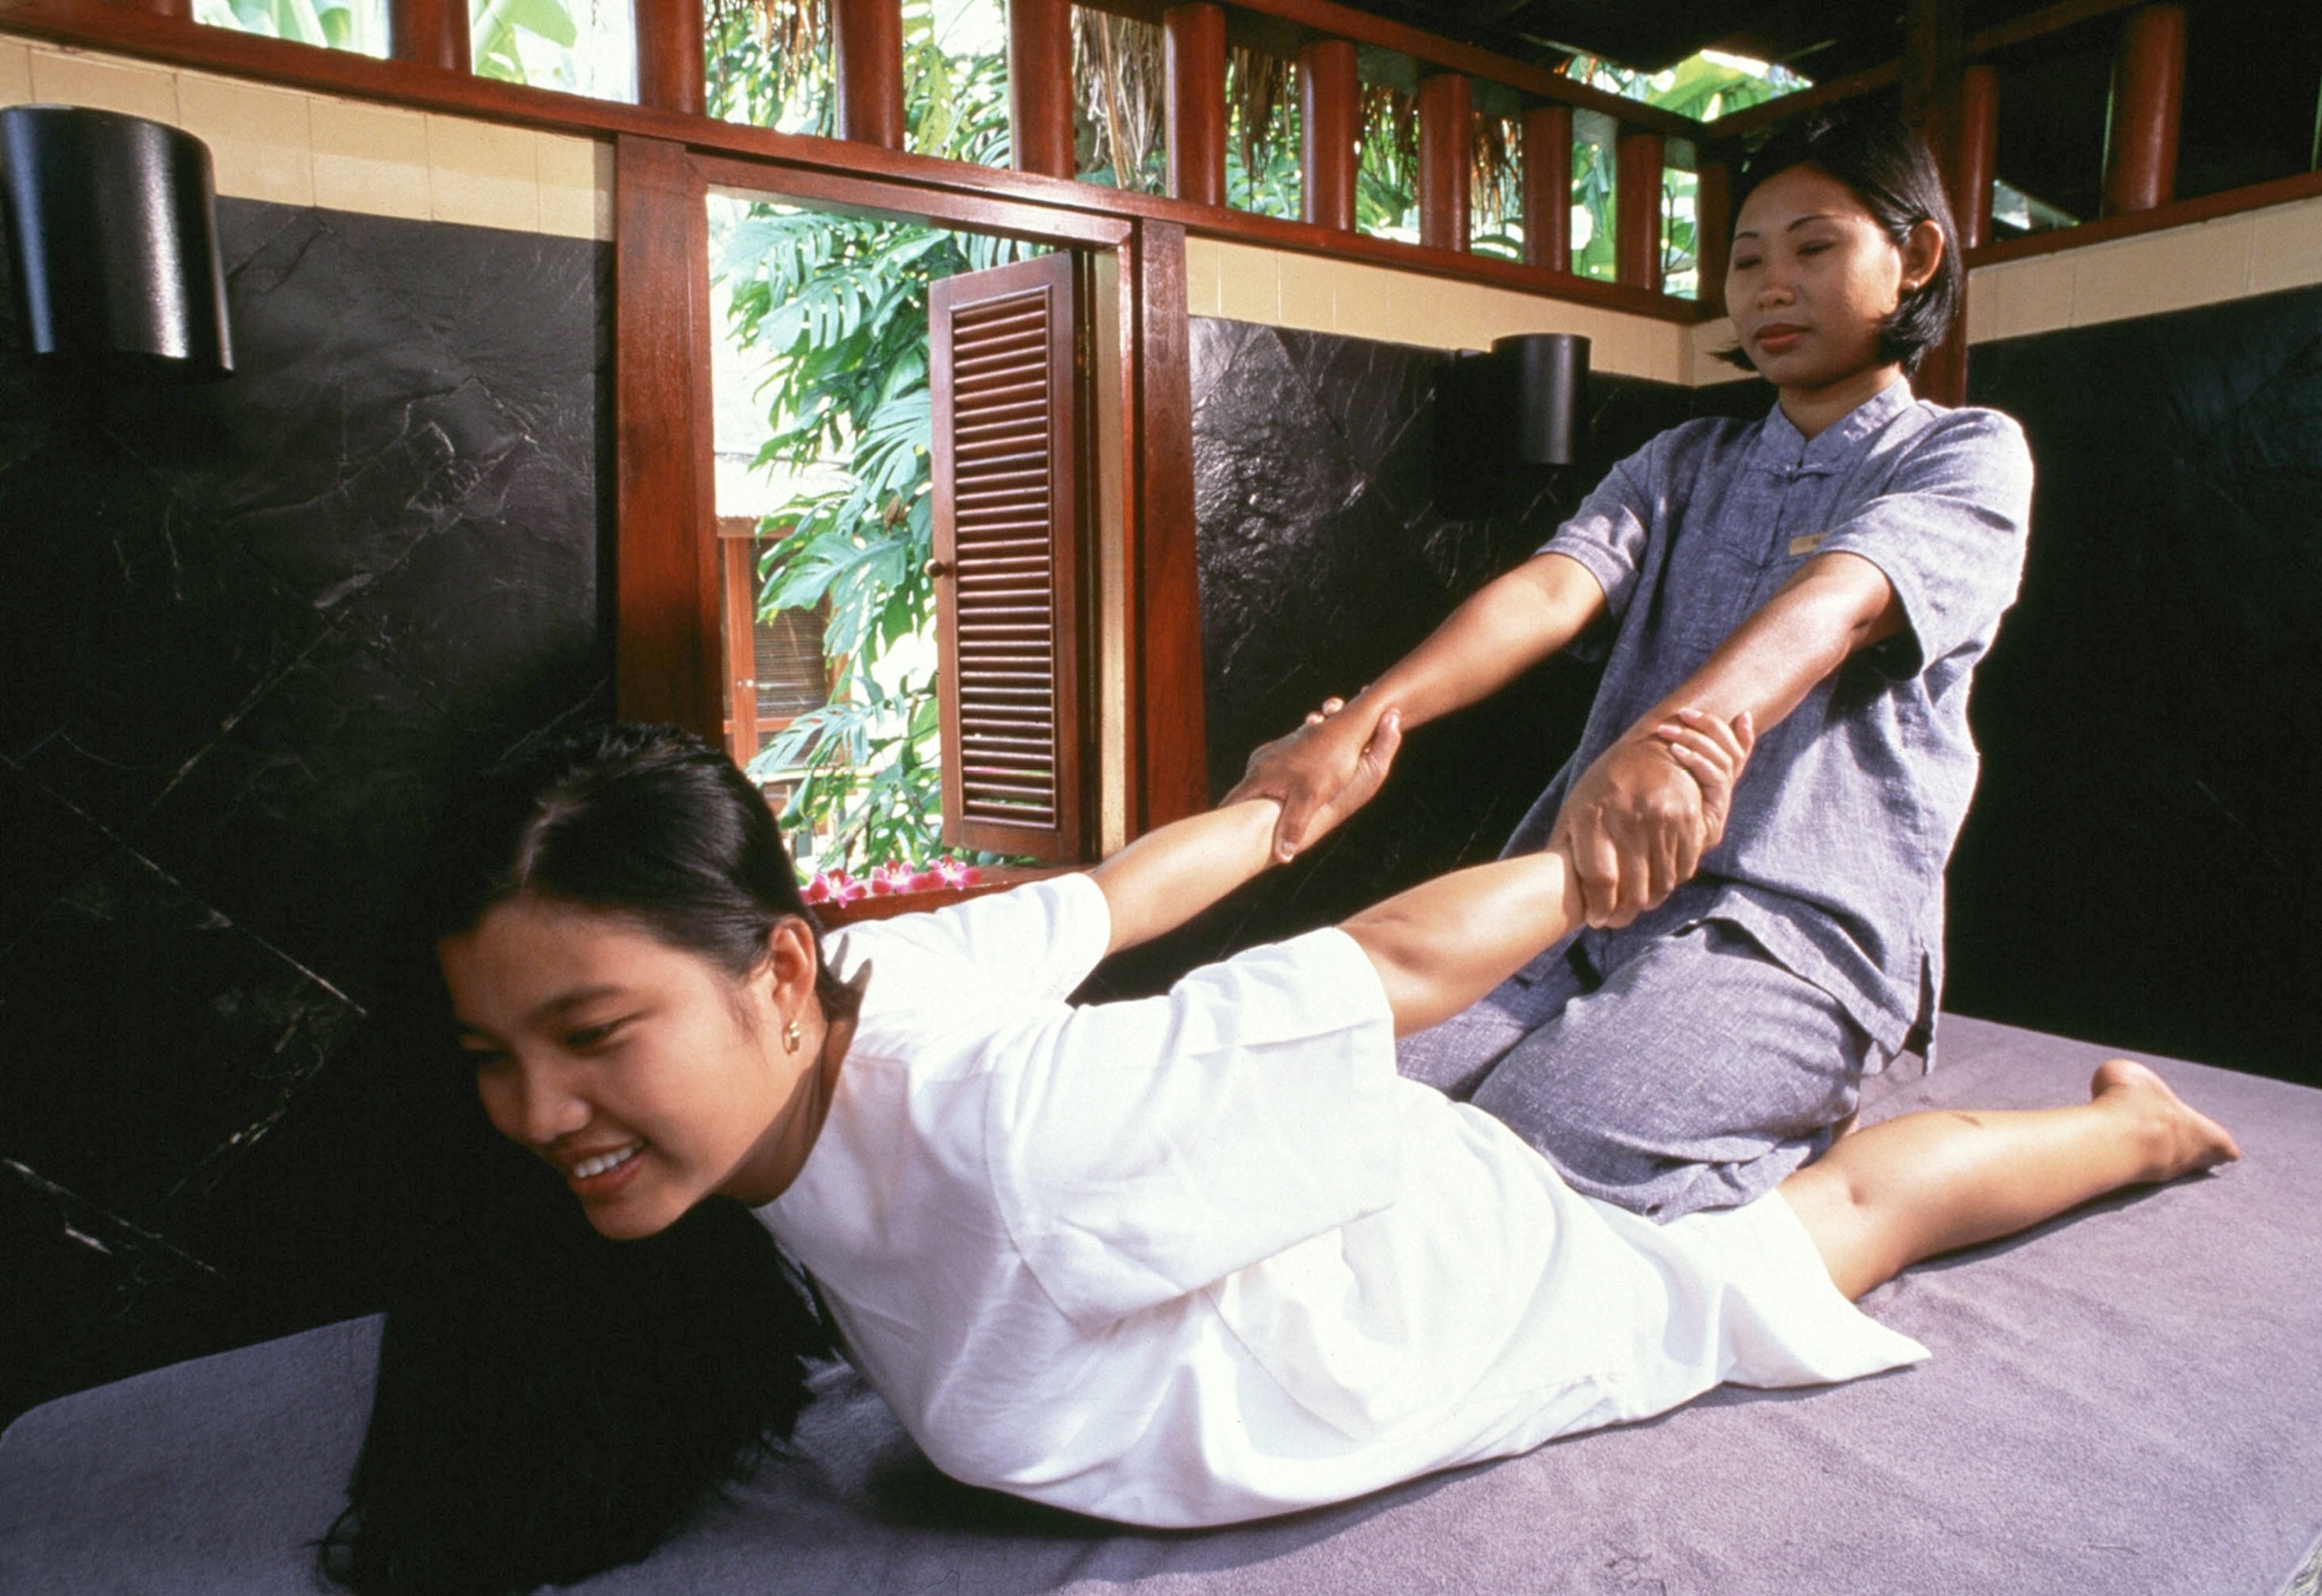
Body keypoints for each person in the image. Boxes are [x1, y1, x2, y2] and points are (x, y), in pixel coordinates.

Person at [326, 721, 2235, 1594]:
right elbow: (1101, 898)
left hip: (1395, 1306)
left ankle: (2133, 1130)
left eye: (594, 1039)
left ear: (779, 973)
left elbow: (1396, 966)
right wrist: (1275, 805)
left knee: (1790, 1252)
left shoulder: (1011, 1125)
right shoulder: (877, 989)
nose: (539, 1116)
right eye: (497, 1055)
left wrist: (1618, 857)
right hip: (1223, 1244)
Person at [1228, 109, 2034, 1221]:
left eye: (1814, 248)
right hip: (1585, 899)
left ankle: (1799, 1108)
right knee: (1332, 1097)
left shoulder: (1964, 451)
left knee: (1520, 1156)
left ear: (1916, 259)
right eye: (1745, 261)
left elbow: (1837, 606)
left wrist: (1672, 740)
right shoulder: (1680, 461)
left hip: (1790, 933)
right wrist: (1360, 726)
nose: (1769, 287)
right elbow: (1550, 590)